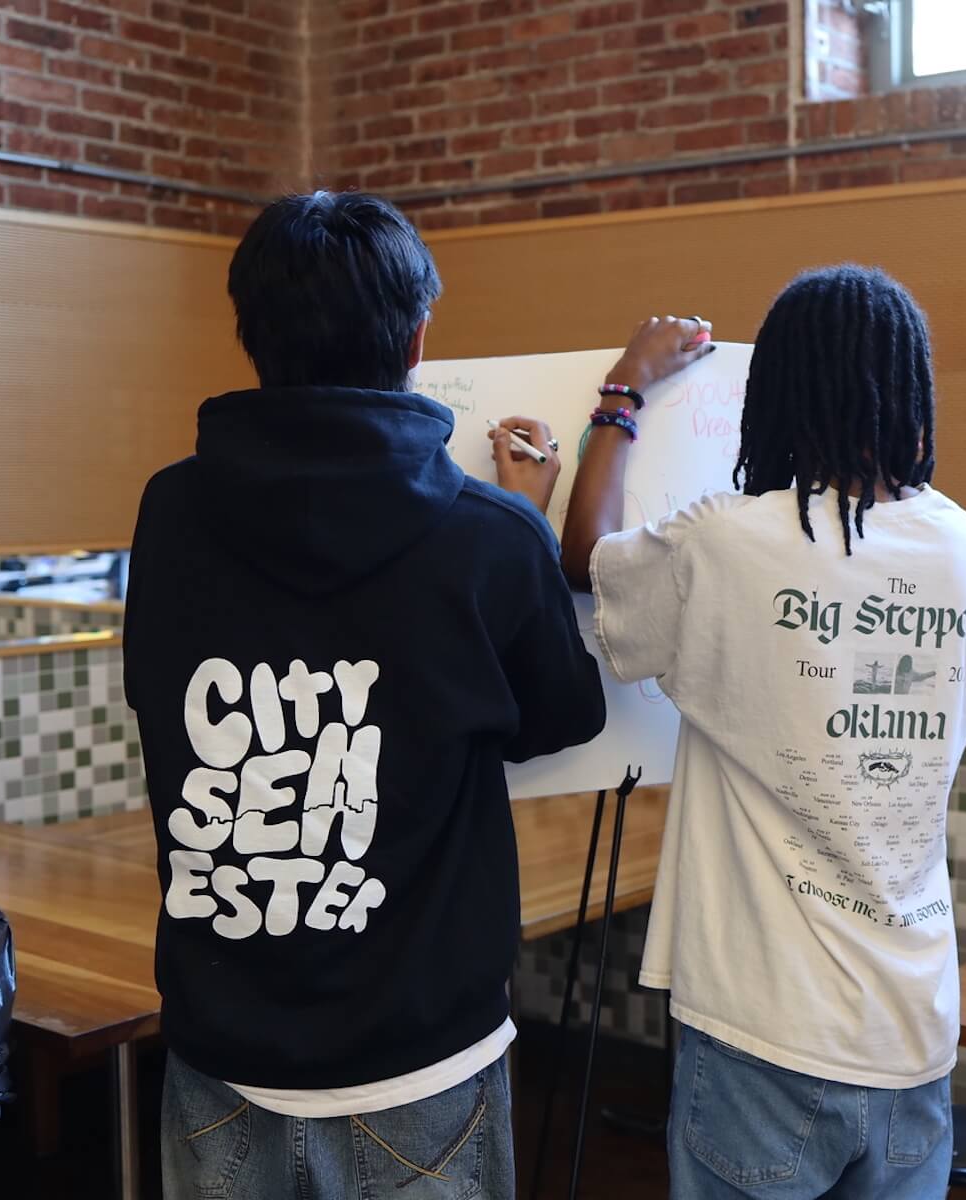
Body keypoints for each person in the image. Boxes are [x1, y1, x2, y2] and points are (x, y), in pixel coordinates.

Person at [122, 192, 609, 1200]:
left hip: (222, 1043)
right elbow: (563, 716)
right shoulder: (491, 537)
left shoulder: (170, 511)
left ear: (249, 332)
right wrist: (522, 526)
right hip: (421, 1053)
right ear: (418, 336)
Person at [542, 266, 966, 1199]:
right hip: (914, 1028)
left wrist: (624, 392)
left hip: (767, 1028)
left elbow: (583, 559)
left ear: (775, 397)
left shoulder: (731, 541)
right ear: (910, 391)